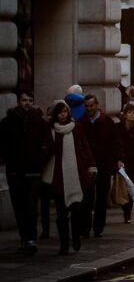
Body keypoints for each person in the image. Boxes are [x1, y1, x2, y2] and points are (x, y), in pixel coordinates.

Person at [0, 92, 51, 254]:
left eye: (30, 100)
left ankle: (30, 238)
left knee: (31, 206)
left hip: (33, 171)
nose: (27, 103)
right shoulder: (8, 122)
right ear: (18, 102)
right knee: (19, 206)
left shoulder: (40, 123)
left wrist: (39, 161)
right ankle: (24, 237)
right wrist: (7, 158)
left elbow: (48, 145)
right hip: (14, 170)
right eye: (24, 100)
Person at [42, 101, 96, 255]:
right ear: (55, 114)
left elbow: (85, 147)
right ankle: (64, 244)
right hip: (58, 175)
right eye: (60, 112)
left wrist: (91, 165)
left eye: (65, 111)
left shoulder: (76, 128)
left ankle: (76, 237)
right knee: (61, 214)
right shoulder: (50, 130)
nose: (63, 115)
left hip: (75, 174)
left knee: (77, 209)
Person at [79, 94, 121, 238]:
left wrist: (114, 163)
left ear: (97, 105)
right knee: (87, 198)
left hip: (104, 165)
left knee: (102, 199)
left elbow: (115, 144)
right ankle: (85, 227)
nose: (89, 108)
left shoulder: (107, 122)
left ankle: (98, 228)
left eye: (91, 105)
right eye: (87, 106)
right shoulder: (82, 123)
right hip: (88, 167)